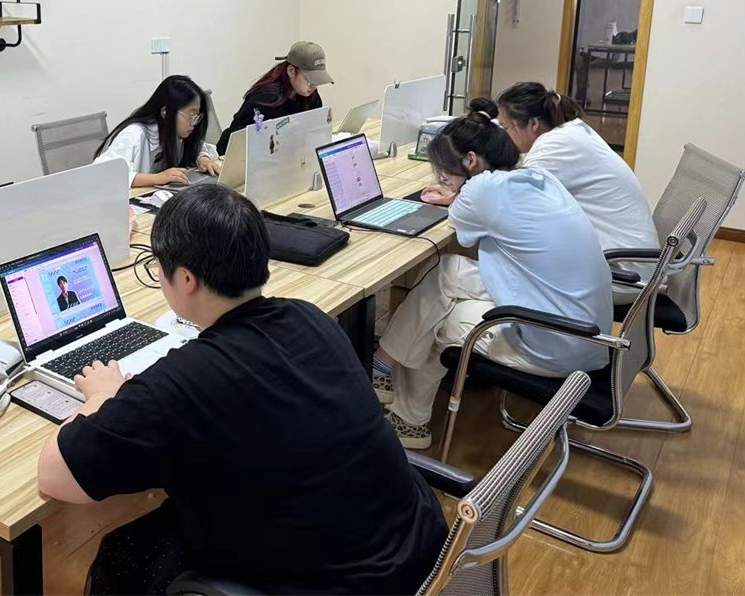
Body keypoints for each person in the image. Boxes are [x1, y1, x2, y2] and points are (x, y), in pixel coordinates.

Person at [36, 186, 448, 595]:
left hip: (341, 584)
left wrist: (102, 397)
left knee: (123, 552)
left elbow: (54, 478)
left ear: (186, 279)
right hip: (420, 551)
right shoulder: (310, 318)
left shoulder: (182, 381)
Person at [374, 108, 613, 449]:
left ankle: (408, 422)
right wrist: (457, 191)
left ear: (470, 161)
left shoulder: (481, 192)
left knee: (438, 318)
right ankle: (383, 362)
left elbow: (460, 216)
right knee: (449, 270)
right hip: (585, 327)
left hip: (556, 343)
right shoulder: (535, 177)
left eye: (445, 174)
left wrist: (455, 194)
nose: (443, 180)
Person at [486, 83, 658, 296]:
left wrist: (463, 190)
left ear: (533, 124)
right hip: (632, 263)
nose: (505, 135)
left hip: (622, 275)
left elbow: (508, 203)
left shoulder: (554, 146)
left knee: (491, 267)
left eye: (506, 127)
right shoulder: (572, 131)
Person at [93, 75, 221, 188]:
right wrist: (157, 178)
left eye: (197, 116)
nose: (194, 123)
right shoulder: (134, 134)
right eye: (191, 116)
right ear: (165, 113)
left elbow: (198, 147)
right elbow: (102, 174)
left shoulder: (177, 133)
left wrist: (203, 160)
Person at [217, 41, 332, 155]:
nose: (313, 86)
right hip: (235, 155)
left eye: (317, 81)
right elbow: (236, 138)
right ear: (291, 71)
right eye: (310, 80)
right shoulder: (265, 98)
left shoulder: (309, 95)